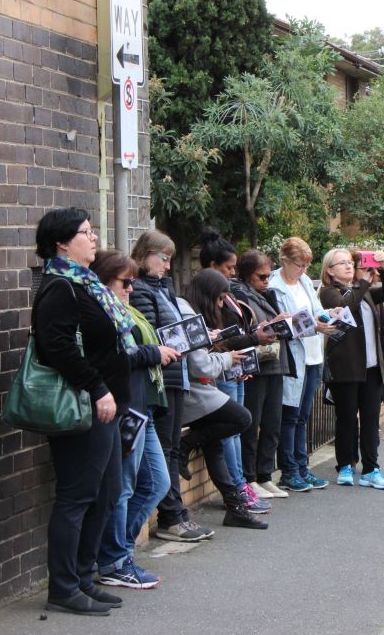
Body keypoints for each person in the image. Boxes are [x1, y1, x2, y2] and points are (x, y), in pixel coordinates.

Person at [32, 208, 127, 616]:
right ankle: (64, 587)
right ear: (61, 243)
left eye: (92, 231)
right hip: (82, 407)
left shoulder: (85, 284)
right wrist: (97, 387)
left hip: (104, 407)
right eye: (85, 233)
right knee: (76, 497)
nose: (93, 238)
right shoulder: (60, 286)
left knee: (105, 494)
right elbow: (58, 348)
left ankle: (85, 578)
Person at [91, 251, 175, 589]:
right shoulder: (103, 311)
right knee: (123, 487)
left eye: (133, 282)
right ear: (106, 281)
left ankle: (118, 551)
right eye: (125, 282)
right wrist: (153, 353)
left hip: (145, 406)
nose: (130, 288)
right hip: (128, 407)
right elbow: (116, 357)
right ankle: (114, 561)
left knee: (157, 483)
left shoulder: (127, 308)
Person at [129, 231, 214, 543]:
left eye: (169, 260)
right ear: (145, 253)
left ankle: (177, 515)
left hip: (176, 373)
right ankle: (171, 517)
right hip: (164, 375)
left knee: (173, 447)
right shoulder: (141, 288)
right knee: (166, 449)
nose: (166, 265)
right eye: (162, 258)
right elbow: (153, 334)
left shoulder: (160, 287)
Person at [180, 269, 267, 529]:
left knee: (215, 444)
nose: (221, 305)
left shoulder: (193, 312)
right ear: (208, 295)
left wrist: (229, 363)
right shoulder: (188, 313)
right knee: (241, 418)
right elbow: (200, 366)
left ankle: (234, 507)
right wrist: (228, 360)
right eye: (219, 299)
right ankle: (185, 445)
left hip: (200, 389)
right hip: (192, 392)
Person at [319, 248, 384, 490]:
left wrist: (383, 269)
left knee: (371, 420)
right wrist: (362, 282)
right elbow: (344, 307)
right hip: (346, 367)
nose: (349, 266)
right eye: (341, 263)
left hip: (372, 367)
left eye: (350, 262)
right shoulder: (328, 292)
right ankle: (345, 465)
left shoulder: (365, 293)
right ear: (330, 270)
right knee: (346, 418)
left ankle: (371, 469)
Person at [197, 228, 262, 502]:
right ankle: (237, 486)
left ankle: (241, 483)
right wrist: (252, 339)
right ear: (213, 267)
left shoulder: (229, 293)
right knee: (232, 430)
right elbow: (219, 337)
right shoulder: (209, 296)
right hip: (221, 367)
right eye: (229, 267)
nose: (233, 273)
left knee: (239, 428)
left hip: (235, 367)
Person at [269, 238, 335, 492]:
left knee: (303, 416)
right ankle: (289, 471)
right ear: (285, 260)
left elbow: (316, 310)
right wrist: (315, 326)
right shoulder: (275, 287)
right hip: (293, 357)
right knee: (291, 416)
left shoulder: (305, 281)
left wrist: (331, 315)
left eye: (308, 264)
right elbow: (284, 325)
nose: (304, 270)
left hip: (312, 356)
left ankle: (302, 467)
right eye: (299, 264)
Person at [231, 251, 296, 493]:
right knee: (253, 422)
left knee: (272, 422)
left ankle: (265, 474)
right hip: (256, 366)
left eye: (269, 276)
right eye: (262, 277)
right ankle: (249, 477)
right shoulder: (239, 294)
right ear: (248, 275)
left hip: (275, 362)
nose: (267, 281)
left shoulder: (267, 295)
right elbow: (245, 330)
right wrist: (265, 326)